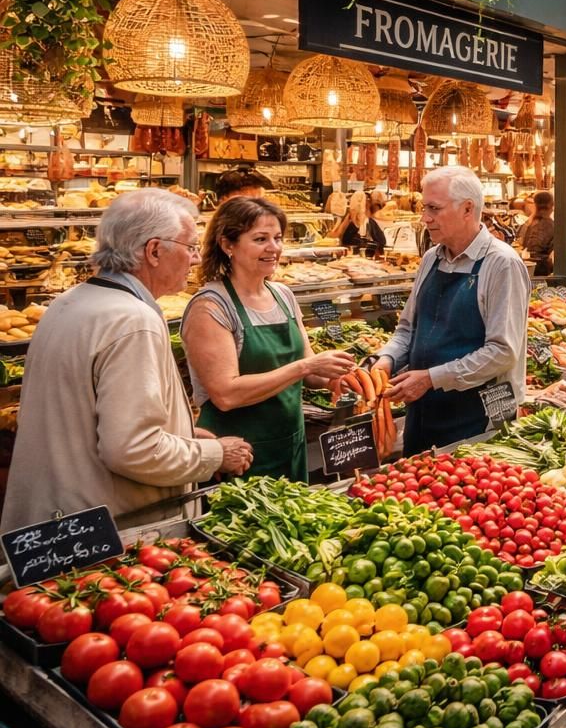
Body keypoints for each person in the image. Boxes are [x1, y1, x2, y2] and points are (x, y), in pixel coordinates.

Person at [1, 189, 252, 529]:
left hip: (51, 520)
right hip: (102, 529)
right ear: (153, 251)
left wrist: (181, 432)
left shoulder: (69, 302)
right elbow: (133, 450)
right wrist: (215, 455)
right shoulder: (133, 321)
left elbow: (86, 413)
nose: (195, 259)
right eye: (190, 247)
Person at [182, 198, 357, 480]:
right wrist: (306, 368)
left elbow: (310, 370)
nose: (273, 248)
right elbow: (226, 394)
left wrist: (342, 377)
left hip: (289, 443)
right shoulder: (211, 306)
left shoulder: (283, 295)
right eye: (260, 239)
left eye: (277, 238)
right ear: (228, 245)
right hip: (237, 453)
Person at [376, 166, 529, 454]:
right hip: (423, 412)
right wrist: (386, 359)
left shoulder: (501, 264)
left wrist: (432, 378)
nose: (425, 218)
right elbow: (408, 328)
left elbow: (502, 351)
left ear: (467, 209)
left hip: (478, 419)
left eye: (434, 208)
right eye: (424, 208)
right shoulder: (431, 258)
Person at [329, 189, 389, 258]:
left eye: (362, 201)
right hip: (351, 256)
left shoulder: (370, 222)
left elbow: (382, 241)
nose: (360, 204)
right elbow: (345, 240)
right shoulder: (349, 221)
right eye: (358, 201)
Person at [519, 190, 555, 275]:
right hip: (544, 271)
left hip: (528, 268)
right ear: (551, 205)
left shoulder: (528, 223)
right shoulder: (550, 224)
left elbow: (523, 244)